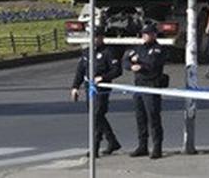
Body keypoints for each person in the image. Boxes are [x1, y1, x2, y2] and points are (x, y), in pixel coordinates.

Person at [70, 30, 122, 156]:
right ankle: (112, 141)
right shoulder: (87, 52)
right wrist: (75, 87)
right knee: (95, 116)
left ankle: (95, 147)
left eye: (96, 37)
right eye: (91, 37)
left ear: (101, 38)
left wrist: (103, 77)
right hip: (89, 88)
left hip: (101, 89)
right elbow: (81, 70)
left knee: (97, 115)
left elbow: (117, 70)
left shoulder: (108, 52)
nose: (94, 40)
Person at [123, 24, 167, 159]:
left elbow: (152, 64)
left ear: (154, 34)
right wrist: (132, 65)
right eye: (143, 34)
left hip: (151, 86)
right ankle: (142, 145)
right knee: (140, 117)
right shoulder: (139, 48)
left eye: (147, 33)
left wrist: (139, 64)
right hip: (138, 86)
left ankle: (157, 148)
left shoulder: (158, 49)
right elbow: (125, 61)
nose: (144, 36)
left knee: (153, 117)